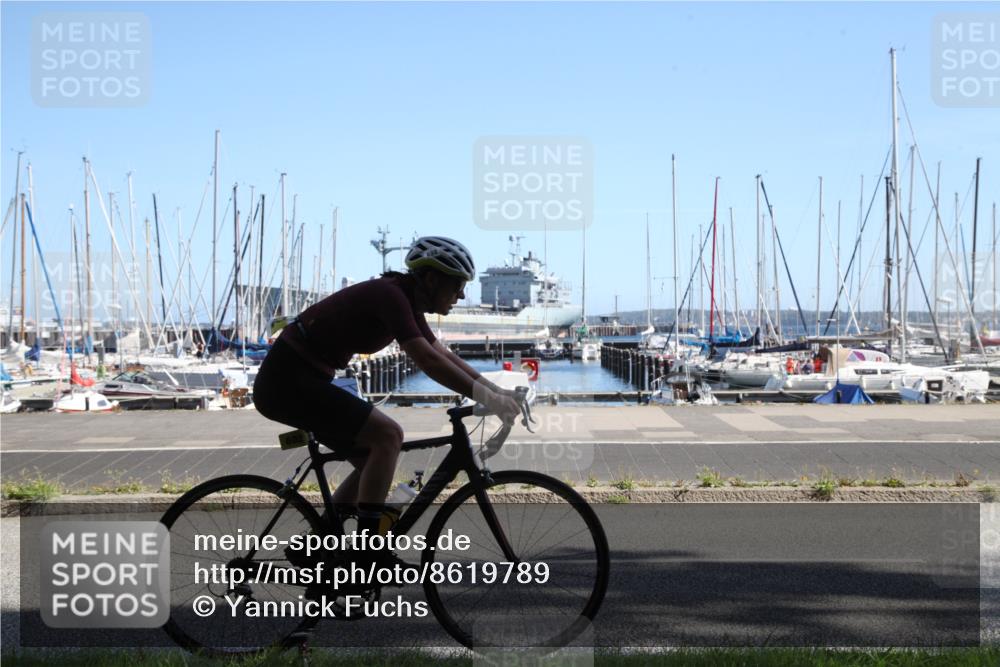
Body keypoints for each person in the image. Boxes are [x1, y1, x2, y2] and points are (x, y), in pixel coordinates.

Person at [253, 236, 520, 564]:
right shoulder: (390, 296)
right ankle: (368, 551)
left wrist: (496, 391)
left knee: (371, 460)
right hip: (287, 381)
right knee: (388, 436)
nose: (462, 294)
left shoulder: (405, 298)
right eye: (457, 285)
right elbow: (428, 360)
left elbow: (440, 352)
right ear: (433, 278)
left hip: (305, 378)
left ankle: (318, 542)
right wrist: (488, 398)